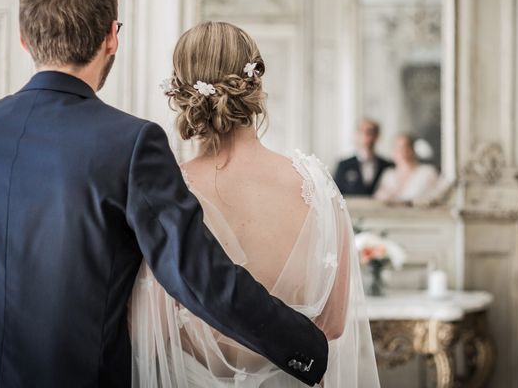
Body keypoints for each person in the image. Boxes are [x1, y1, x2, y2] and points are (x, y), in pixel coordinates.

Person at [0, 0, 328, 387]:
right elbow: (197, 275)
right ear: (112, 36)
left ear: (24, 40)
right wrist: (305, 347)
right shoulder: (130, 143)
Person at [129, 21, 380, 387]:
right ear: (256, 84)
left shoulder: (166, 195)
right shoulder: (317, 185)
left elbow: (150, 329)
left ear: (180, 93)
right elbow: (336, 322)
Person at [373, 133, 439, 203]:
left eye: (406, 147)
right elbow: (378, 199)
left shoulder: (427, 172)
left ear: (413, 150)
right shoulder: (389, 175)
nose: (402, 152)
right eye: (397, 148)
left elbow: (435, 198)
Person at [334, 119, 394, 196]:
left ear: (377, 136)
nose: (365, 135)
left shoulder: (387, 166)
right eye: (362, 131)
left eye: (370, 132)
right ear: (356, 135)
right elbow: (336, 194)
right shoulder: (343, 165)